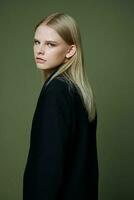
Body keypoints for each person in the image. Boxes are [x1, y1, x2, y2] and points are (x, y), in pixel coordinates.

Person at [23, 12, 99, 200]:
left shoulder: (56, 92)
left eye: (50, 44)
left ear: (70, 51)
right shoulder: (78, 92)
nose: (39, 50)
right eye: (36, 42)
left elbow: (48, 168)